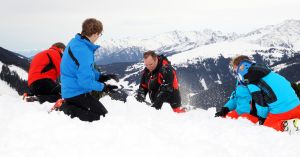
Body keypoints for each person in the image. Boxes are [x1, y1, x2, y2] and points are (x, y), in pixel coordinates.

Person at [59, 18, 118, 122]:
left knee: (101, 114)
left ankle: (69, 105)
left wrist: (100, 77)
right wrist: (104, 87)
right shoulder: (83, 50)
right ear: (95, 33)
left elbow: (85, 69)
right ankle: (65, 108)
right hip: (75, 92)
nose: (98, 37)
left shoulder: (76, 43)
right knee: (100, 117)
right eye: (99, 34)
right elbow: (85, 81)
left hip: (72, 89)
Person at [232, 55, 300, 131]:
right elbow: (288, 85)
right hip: (297, 106)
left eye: (236, 70)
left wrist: (262, 118)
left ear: (241, 67)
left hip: (282, 111)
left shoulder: (252, 80)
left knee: (267, 128)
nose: (237, 73)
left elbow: (260, 103)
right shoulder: (269, 72)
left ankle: (288, 126)